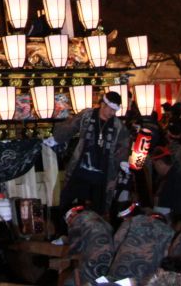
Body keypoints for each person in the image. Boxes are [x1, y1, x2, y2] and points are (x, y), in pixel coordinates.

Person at [52, 91, 132, 220]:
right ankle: (63, 233)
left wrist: (122, 161)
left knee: (99, 206)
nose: (112, 113)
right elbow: (70, 126)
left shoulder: (118, 125)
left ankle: (95, 232)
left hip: (102, 173)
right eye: (111, 109)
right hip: (80, 168)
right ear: (103, 105)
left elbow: (123, 145)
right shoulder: (87, 115)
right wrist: (57, 138)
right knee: (68, 201)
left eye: (114, 110)